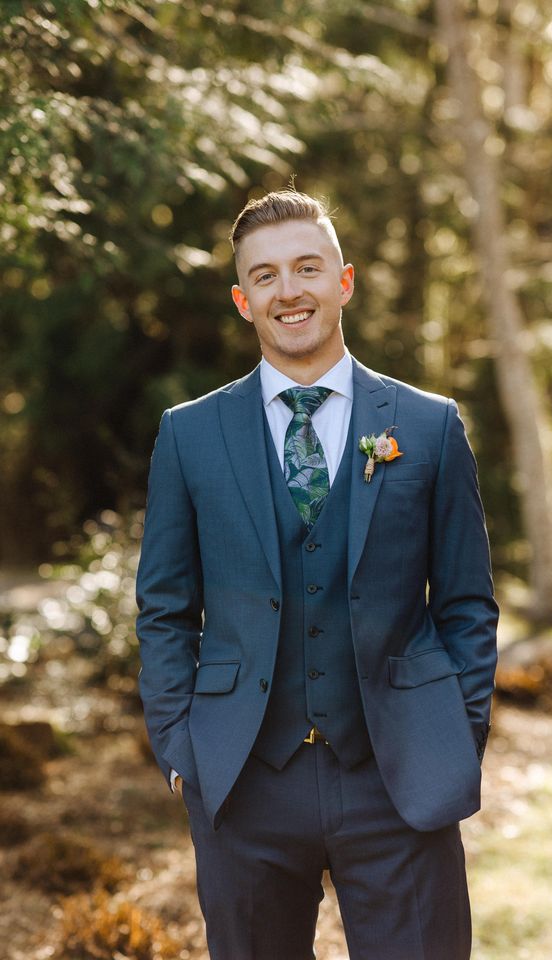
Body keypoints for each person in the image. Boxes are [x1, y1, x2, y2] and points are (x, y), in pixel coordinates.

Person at [136, 189, 498, 960]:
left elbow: (467, 602)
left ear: (345, 281)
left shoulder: (428, 426)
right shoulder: (189, 434)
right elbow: (164, 607)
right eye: (264, 276)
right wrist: (180, 750)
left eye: (307, 267)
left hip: (399, 777)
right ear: (243, 300)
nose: (288, 290)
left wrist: (457, 735)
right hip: (241, 779)